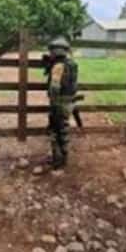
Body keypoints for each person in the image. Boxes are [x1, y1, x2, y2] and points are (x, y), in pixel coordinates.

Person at [44, 37, 78, 169]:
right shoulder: (72, 64)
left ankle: (58, 160)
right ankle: (63, 158)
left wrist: (52, 100)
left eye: (52, 50)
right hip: (69, 102)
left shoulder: (58, 66)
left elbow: (54, 87)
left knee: (55, 130)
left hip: (59, 103)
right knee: (63, 129)